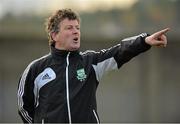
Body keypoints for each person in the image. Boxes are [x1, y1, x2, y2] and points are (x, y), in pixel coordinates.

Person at [17, 9, 169, 123]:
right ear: (54, 35)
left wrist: (144, 41)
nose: (75, 31)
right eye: (69, 28)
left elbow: (119, 51)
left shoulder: (91, 61)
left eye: (77, 27)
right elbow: (24, 107)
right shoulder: (35, 69)